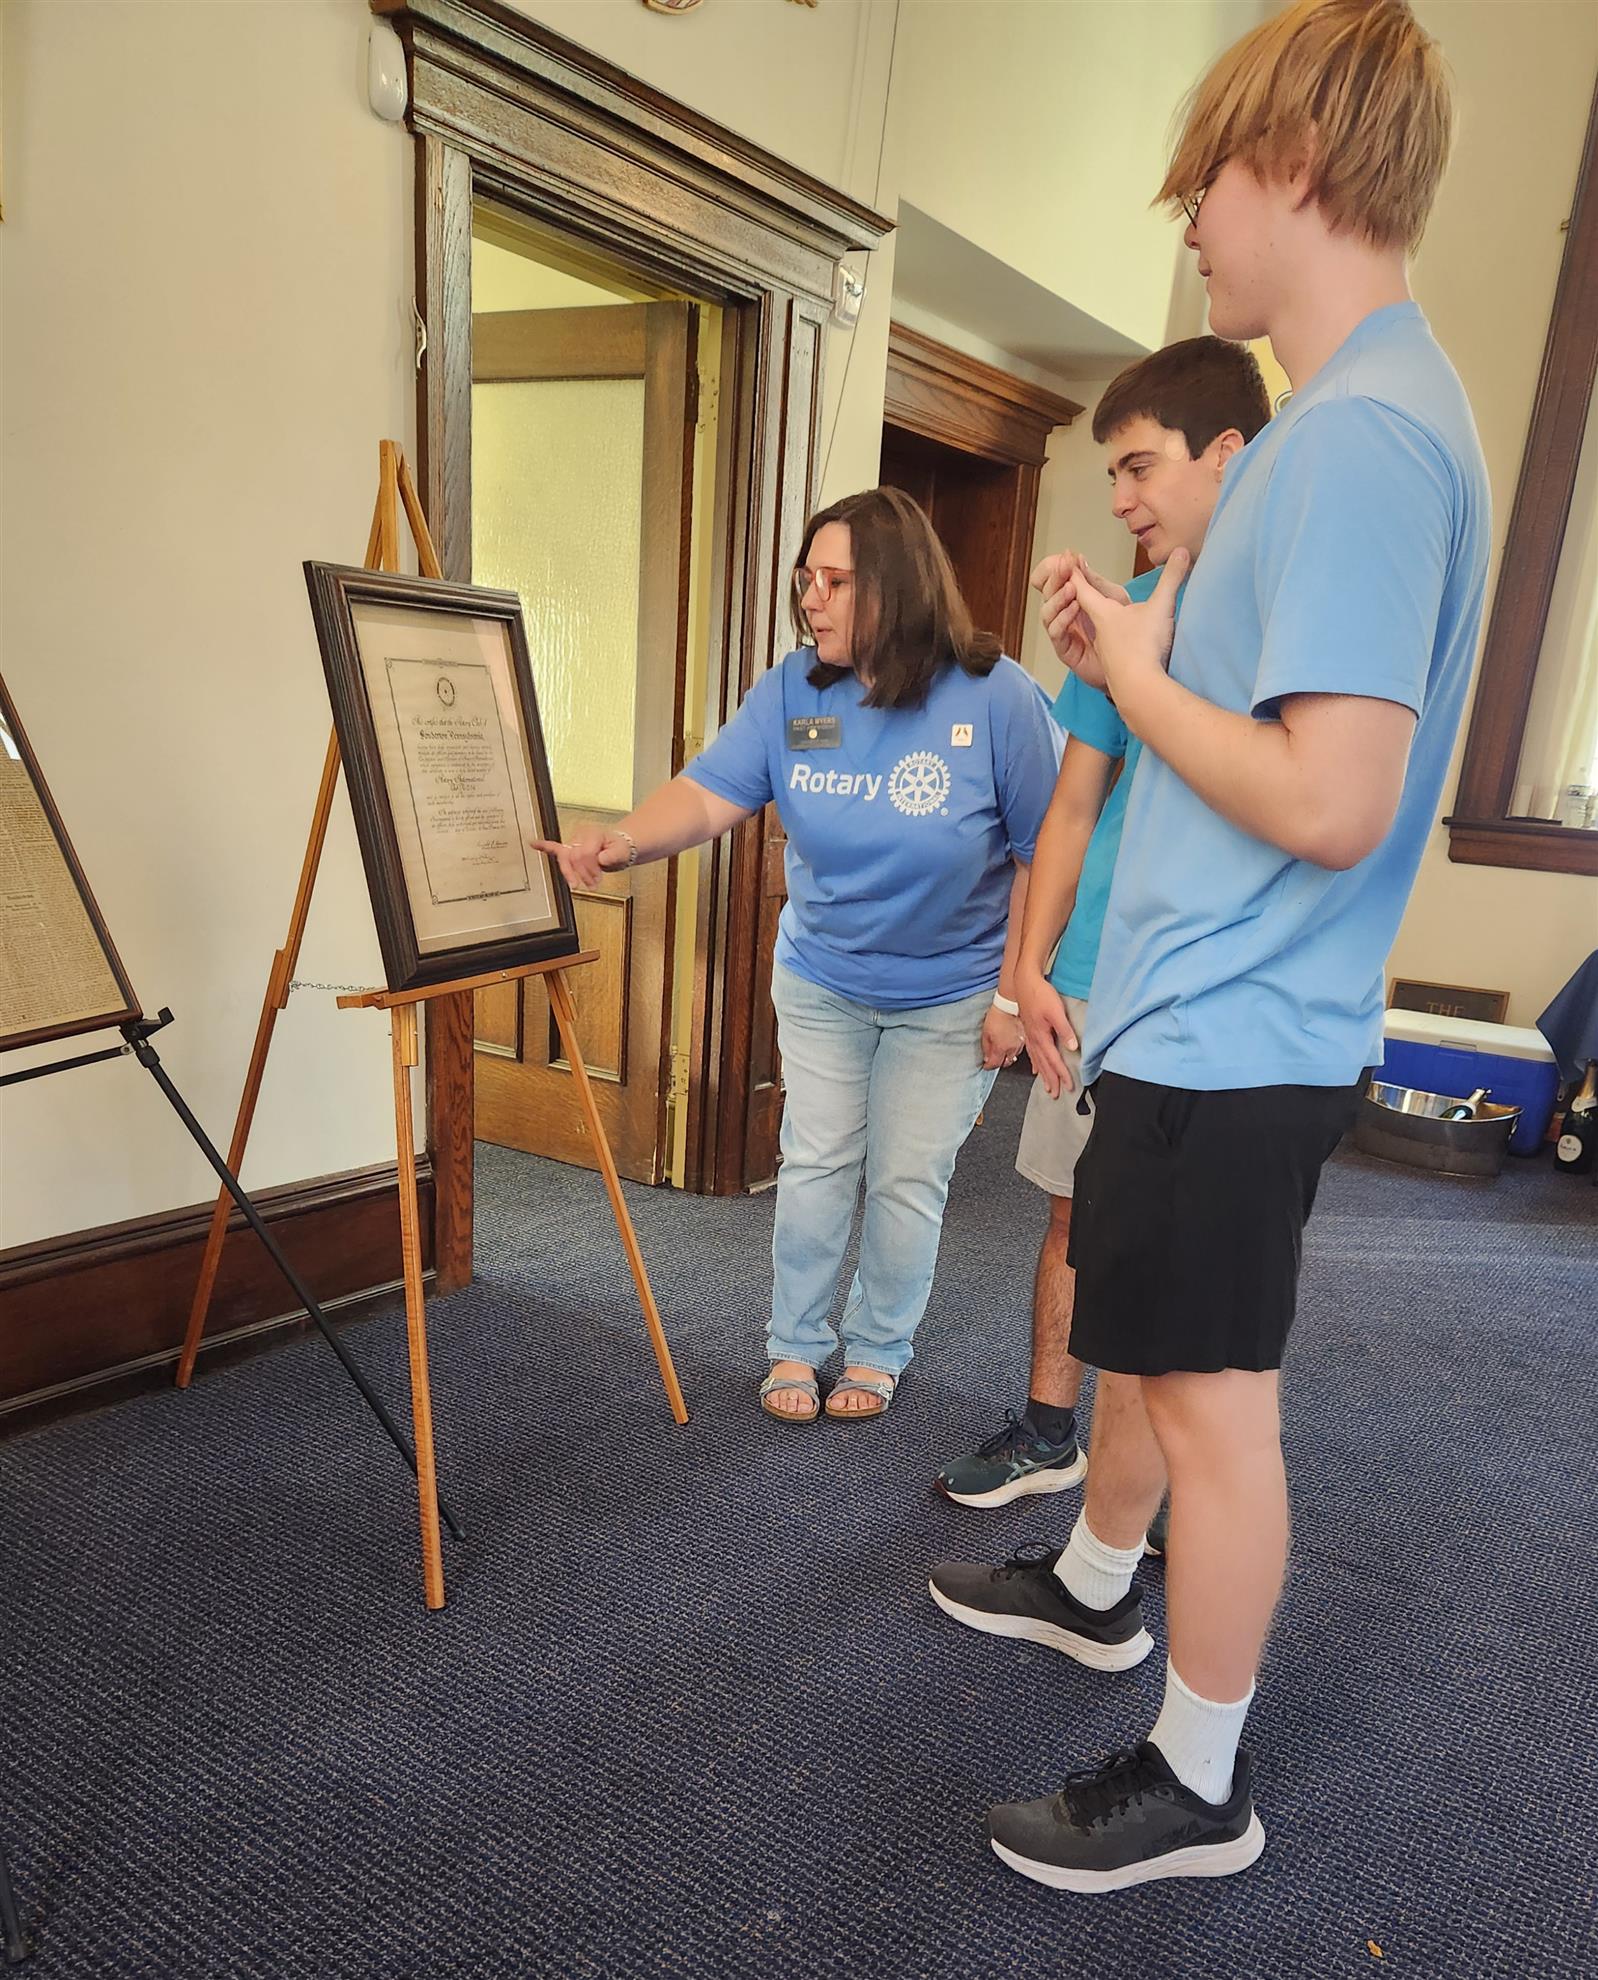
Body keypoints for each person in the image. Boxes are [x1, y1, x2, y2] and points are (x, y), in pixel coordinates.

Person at [930, 0, 1488, 1891]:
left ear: (1298, 166)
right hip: (1203, 1014)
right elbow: (1252, 728)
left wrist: (1141, 675)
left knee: (1214, 1412)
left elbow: (1329, 796)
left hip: (1239, 1026)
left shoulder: (1359, 440)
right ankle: (1101, 1595)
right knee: (1167, 1374)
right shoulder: (1339, 428)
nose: (1185, 225)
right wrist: (1149, 647)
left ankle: (1196, 1786)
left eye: (1203, 187)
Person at [535, 487, 1060, 1422]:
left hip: (952, 990)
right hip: (824, 976)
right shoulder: (793, 690)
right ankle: (796, 1344)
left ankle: (879, 1349)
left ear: (899, 584)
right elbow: (711, 792)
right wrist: (621, 843)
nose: (811, 599)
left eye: (837, 581)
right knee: (816, 1163)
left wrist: (1015, 996)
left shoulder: (997, 695)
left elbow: (1042, 853)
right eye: (806, 579)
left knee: (906, 1178)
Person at [934, 336, 1270, 1511]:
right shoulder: (1116, 618)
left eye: (1138, 467)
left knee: (1185, 1246)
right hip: (1087, 979)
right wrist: (1023, 972)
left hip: (1210, 992)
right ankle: (1047, 1431)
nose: (1119, 498)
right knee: (1073, 1216)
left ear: (1226, 454)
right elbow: (1070, 809)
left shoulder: (1275, 623)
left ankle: (1156, 1486)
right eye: (1110, 474)